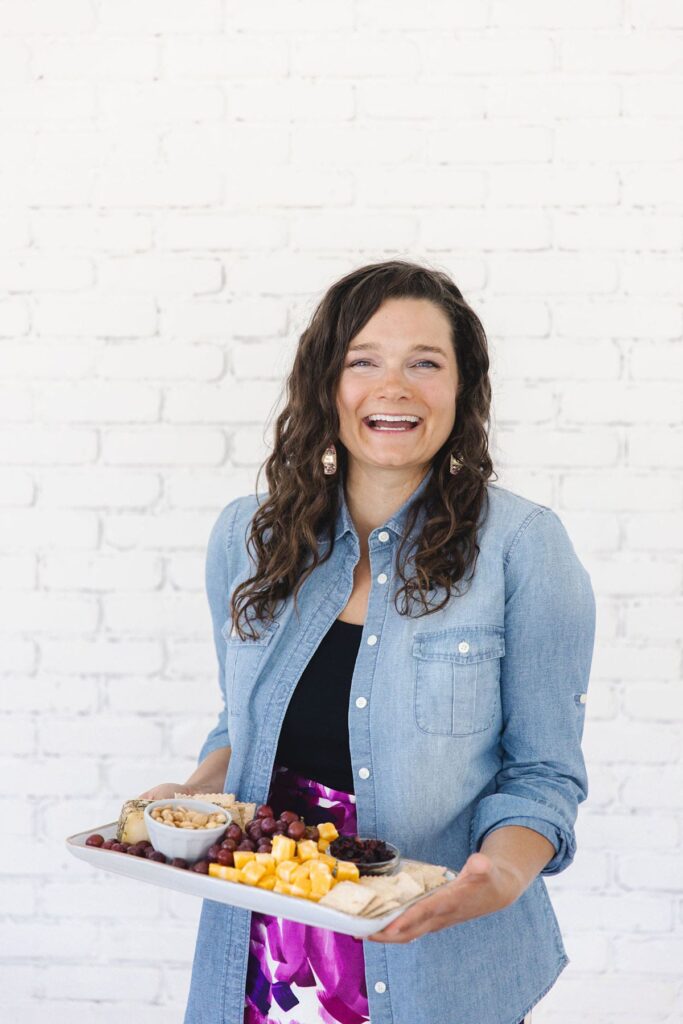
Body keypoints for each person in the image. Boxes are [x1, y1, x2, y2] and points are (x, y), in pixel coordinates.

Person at [141, 259, 596, 1024]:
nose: (394, 387)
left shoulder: (524, 548)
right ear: (328, 386)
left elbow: (544, 773)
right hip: (262, 952)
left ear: (462, 390)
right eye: (363, 362)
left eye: (425, 362)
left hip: (436, 955)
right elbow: (242, 729)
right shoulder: (246, 539)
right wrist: (191, 798)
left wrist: (501, 876)